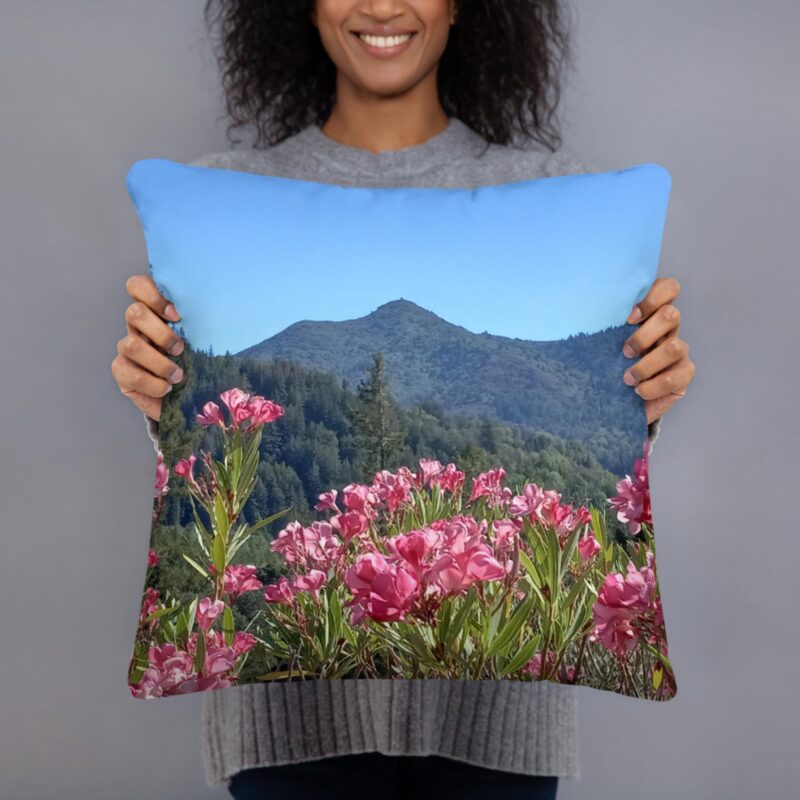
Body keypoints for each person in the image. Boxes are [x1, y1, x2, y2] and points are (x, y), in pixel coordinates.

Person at [112, 2, 696, 797]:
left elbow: (607, 459)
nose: (383, 5)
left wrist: (644, 399)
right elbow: (198, 465)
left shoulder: (550, 187)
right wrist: (161, 402)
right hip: (285, 734)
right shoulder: (224, 186)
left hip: (501, 731)